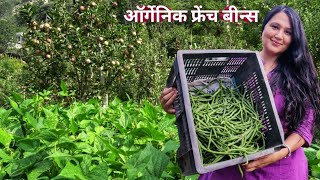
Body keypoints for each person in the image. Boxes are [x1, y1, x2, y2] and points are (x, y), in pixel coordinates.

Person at [160, 5, 320, 180]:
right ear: (264, 27)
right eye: (275, 27)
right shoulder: (235, 66)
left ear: (294, 39)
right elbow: (198, 105)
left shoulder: (299, 75)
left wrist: (279, 153)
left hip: (280, 169)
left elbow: (305, 125)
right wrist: (176, 104)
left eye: (288, 32)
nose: (278, 35)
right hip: (229, 164)